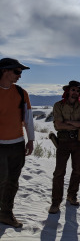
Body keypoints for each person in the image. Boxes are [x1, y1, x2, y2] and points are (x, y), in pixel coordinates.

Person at [0, 57, 34, 228]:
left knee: (12, 181)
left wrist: (31, 140)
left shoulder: (21, 93)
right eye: (17, 71)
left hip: (17, 144)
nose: (19, 75)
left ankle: (6, 213)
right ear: (4, 71)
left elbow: (28, 118)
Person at [48, 80, 80, 214]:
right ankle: (55, 202)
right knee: (59, 172)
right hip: (64, 141)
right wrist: (77, 125)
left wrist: (70, 122)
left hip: (79, 142)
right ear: (68, 91)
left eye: (78, 91)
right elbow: (59, 125)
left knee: (77, 171)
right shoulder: (59, 105)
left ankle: (72, 196)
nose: (76, 93)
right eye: (73, 90)